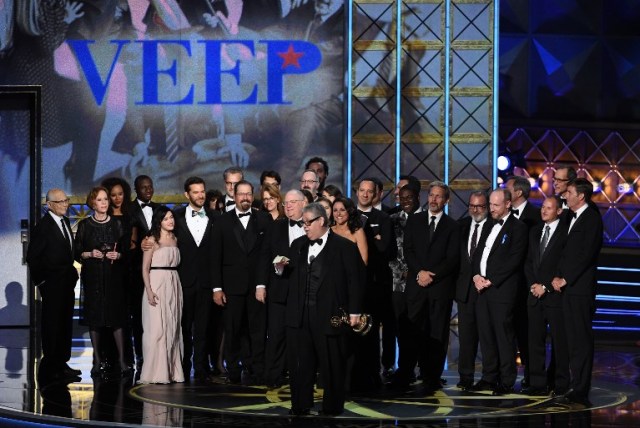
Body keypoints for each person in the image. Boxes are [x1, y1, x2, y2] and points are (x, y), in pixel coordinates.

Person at [285, 203, 365, 416]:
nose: (305, 227)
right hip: (301, 315)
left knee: (332, 364)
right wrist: (278, 268)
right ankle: (300, 405)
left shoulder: (345, 247)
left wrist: (355, 311)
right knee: (301, 364)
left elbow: (355, 281)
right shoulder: (298, 245)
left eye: (308, 223)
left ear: (321, 220)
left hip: (330, 315)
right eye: (303, 224)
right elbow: (289, 275)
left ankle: (332, 407)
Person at [212, 180, 273, 384]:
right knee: (233, 330)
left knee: (258, 330)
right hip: (231, 287)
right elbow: (215, 257)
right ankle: (233, 370)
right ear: (234, 196)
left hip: (257, 287)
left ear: (252, 195)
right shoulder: (221, 221)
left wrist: (261, 284)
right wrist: (217, 288)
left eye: (248, 194)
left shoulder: (264, 219)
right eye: (241, 194)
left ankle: (258, 369)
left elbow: (266, 255)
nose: (245, 198)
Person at [402, 181, 460, 393]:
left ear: (446, 200)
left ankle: (432, 376)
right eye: (431, 195)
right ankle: (405, 373)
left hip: (439, 288)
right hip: (416, 285)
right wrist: (420, 273)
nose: (434, 200)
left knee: (437, 333)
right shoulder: (415, 220)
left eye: (438, 196)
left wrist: (432, 276)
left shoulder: (452, 226)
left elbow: (452, 259)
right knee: (411, 331)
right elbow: (408, 251)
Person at [470, 188, 528, 395]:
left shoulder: (518, 228)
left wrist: (491, 280)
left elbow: (514, 260)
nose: (491, 209)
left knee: (503, 337)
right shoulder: (487, 225)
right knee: (485, 336)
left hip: (502, 291)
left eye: (495, 205)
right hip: (482, 290)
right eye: (491, 205)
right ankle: (488, 377)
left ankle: (506, 380)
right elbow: (477, 254)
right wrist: (476, 275)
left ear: (507, 204)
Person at [551, 178, 603, 405]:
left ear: (581, 196)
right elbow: (565, 252)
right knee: (570, 339)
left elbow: (586, 255)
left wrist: (566, 278)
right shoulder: (572, 217)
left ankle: (581, 387)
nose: (565, 195)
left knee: (580, 339)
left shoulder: (591, 218)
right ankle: (572, 383)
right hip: (567, 289)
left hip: (580, 289)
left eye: (569, 192)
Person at [74, 186, 129, 377]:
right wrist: (89, 253)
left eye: (106, 199)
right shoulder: (85, 226)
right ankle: (97, 360)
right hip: (93, 277)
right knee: (95, 319)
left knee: (116, 318)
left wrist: (119, 254)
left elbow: (126, 250)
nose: (104, 203)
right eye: (100, 200)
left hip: (113, 277)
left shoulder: (116, 224)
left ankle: (122, 361)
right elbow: (76, 251)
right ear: (92, 203)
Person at [27, 188, 81, 382]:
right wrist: (42, 283)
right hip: (51, 285)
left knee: (65, 324)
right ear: (49, 205)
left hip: (66, 283)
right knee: (52, 325)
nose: (65, 204)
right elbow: (32, 258)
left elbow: (70, 252)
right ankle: (51, 366)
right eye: (60, 202)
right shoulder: (43, 227)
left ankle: (62, 363)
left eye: (66, 200)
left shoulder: (65, 222)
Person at [257, 189, 308, 388]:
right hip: (278, 289)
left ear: (304, 203)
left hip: (304, 290)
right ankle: (273, 377)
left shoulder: (312, 226)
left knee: (302, 337)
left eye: (293, 202)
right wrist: (260, 285)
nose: (288, 206)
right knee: (276, 335)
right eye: (286, 202)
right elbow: (264, 256)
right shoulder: (274, 227)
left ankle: (302, 375)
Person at [172, 177, 219, 381]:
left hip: (207, 282)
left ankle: (200, 367)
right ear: (187, 194)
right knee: (183, 326)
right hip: (184, 281)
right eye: (196, 192)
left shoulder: (216, 217)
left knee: (203, 327)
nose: (201, 195)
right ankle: (183, 364)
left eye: (203, 191)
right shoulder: (175, 217)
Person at [524, 195, 569, 396]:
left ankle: (560, 384)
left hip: (555, 296)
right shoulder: (534, 232)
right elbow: (528, 262)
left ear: (559, 211)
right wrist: (533, 285)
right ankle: (537, 383)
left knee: (559, 342)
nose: (543, 211)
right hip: (535, 295)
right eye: (543, 207)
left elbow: (563, 265)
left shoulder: (566, 233)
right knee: (534, 341)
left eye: (549, 208)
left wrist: (546, 287)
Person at [354, 178, 395, 387]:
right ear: (357, 192)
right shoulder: (350, 216)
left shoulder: (383, 218)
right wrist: (373, 238)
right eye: (362, 190)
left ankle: (376, 371)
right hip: (353, 284)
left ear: (376, 194)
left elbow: (385, 249)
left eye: (369, 191)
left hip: (377, 284)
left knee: (373, 330)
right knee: (356, 330)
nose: (365, 194)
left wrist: (369, 241)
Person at [139, 206, 184, 384]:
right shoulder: (151, 240)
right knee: (157, 328)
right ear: (159, 221)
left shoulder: (175, 238)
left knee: (172, 327)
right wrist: (149, 291)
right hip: (156, 283)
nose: (170, 221)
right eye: (166, 218)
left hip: (173, 282)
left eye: (171, 217)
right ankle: (156, 372)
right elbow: (144, 268)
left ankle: (172, 371)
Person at [505, 175, 542, 389]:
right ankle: (505, 373)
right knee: (505, 330)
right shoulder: (501, 213)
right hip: (504, 283)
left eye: (506, 187)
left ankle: (531, 374)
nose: (502, 188)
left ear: (518, 192)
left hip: (527, 284)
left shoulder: (537, 216)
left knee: (526, 332)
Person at [454, 191, 491, 391]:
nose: (475, 210)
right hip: (464, 292)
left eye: (480, 206)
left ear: (486, 207)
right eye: (472, 206)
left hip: (485, 291)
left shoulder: (494, 227)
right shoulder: (461, 227)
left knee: (486, 337)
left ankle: (488, 376)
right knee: (466, 338)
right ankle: (465, 376)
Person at [388, 184, 422, 386]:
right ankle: (404, 369)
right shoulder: (392, 220)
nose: (405, 201)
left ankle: (423, 369)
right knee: (401, 327)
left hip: (421, 281)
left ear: (417, 197)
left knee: (419, 327)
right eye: (402, 198)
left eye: (409, 197)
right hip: (397, 284)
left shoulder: (427, 218)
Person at [128, 175, 159, 369]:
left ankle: (156, 352)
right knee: (139, 314)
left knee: (156, 312)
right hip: (136, 269)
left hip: (158, 268)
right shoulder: (129, 210)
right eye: (144, 187)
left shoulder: (159, 210)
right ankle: (140, 353)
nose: (148, 190)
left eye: (150, 186)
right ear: (136, 189)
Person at [331, 197, 368, 265]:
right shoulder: (329, 231)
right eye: (335, 210)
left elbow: (364, 261)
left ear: (350, 211)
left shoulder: (358, 232)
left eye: (342, 210)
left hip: (352, 273)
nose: (338, 213)